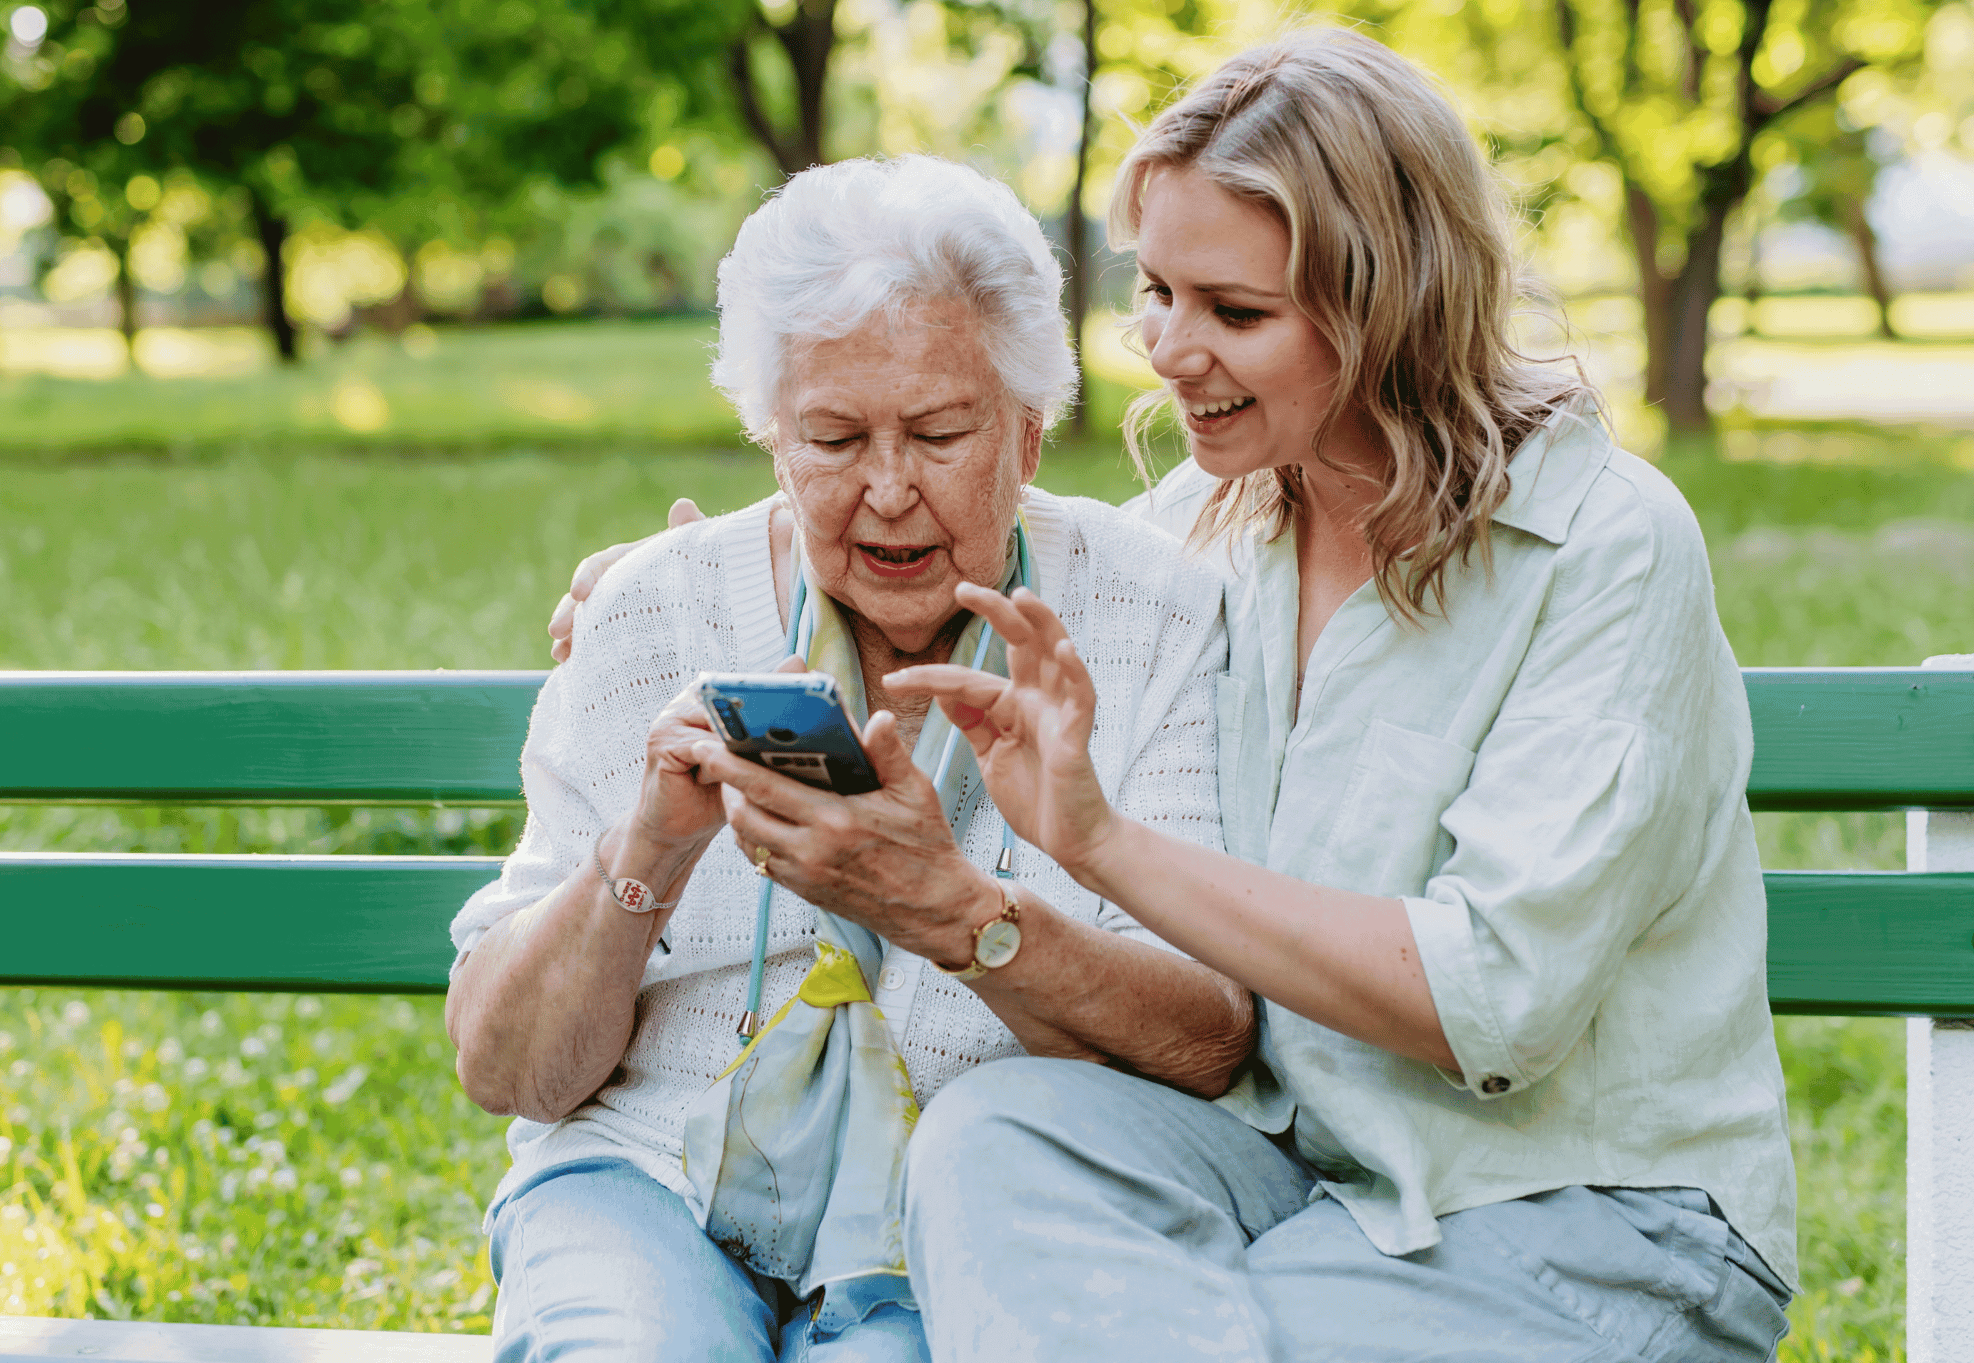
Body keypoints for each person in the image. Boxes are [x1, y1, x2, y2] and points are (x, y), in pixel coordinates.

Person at [556, 29, 1800, 1363]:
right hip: (1292, 1191)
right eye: (1154, 293)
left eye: (1235, 313)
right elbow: (977, 515)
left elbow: (1493, 1001)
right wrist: (675, 574)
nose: (1168, 350)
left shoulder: (1601, 544)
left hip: (1577, 1216)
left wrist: (1099, 842)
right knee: (996, 1128)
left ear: (1389, 305)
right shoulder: (1213, 520)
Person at [446, 153, 1253, 1362]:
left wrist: (961, 915)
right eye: (831, 438)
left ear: (1029, 435)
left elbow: (1209, 1039)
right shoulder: (654, 610)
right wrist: (646, 851)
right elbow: (508, 1070)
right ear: (770, 438)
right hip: (642, 1175)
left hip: (958, 1214)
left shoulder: (1150, 619)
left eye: (937, 433)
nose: (885, 491)